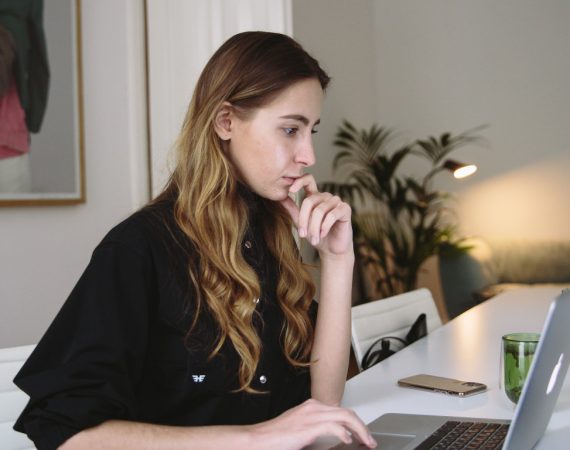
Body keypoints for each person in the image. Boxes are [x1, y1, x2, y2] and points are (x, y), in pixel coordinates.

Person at [13, 31, 377, 450]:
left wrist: (337, 258)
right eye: (290, 129)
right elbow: (67, 434)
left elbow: (324, 402)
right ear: (225, 122)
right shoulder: (139, 248)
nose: (309, 155)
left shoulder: (268, 233)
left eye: (311, 130)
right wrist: (256, 437)